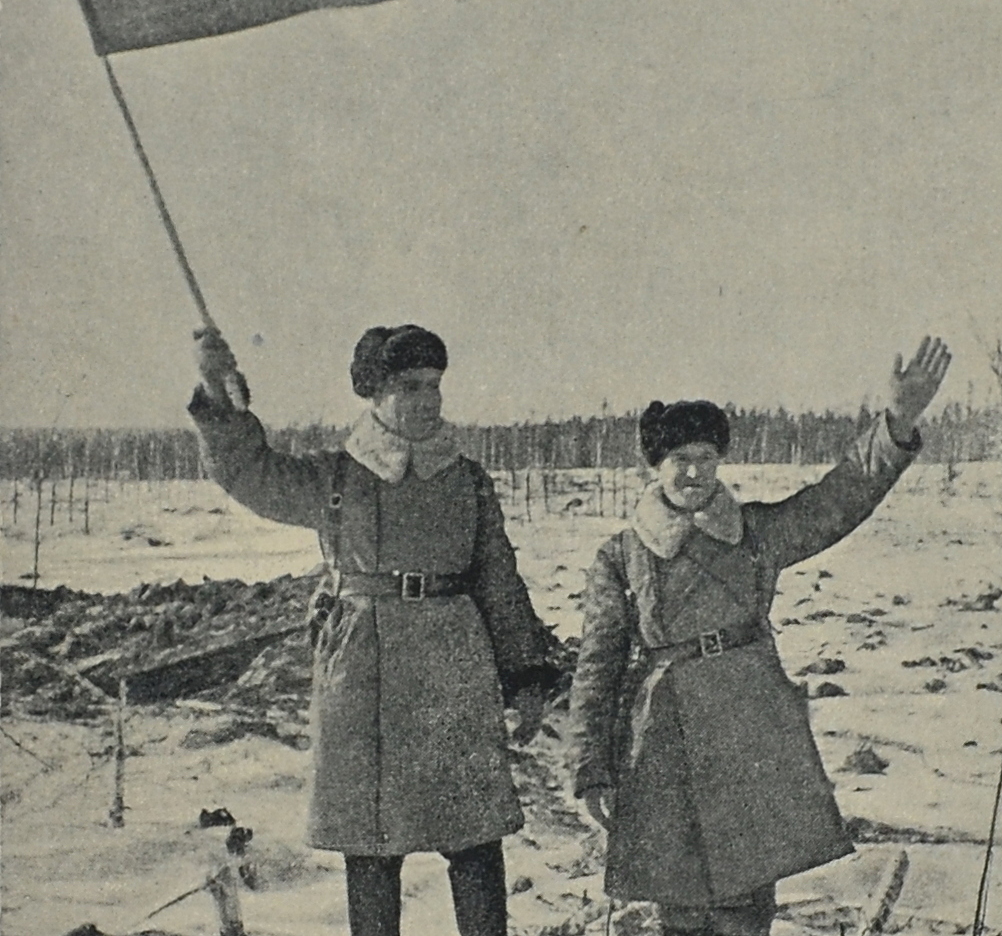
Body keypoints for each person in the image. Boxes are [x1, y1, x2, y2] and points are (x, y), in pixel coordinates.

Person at [567, 337, 951, 936]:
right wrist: (590, 766)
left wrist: (896, 423)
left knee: (749, 902)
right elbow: (596, 666)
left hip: (751, 726)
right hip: (664, 738)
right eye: (678, 460)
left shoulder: (754, 535)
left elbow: (836, 501)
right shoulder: (621, 555)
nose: (694, 472)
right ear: (654, 467)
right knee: (682, 903)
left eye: (705, 457)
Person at [190, 323, 557, 936]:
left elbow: (498, 579)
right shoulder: (337, 476)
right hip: (363, 668)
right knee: (371, 843)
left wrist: (525, 675)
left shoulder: (467, 480)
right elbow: (250, 473)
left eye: (435, 386)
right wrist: (217, 391)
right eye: (410, 386)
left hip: (453, 668)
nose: (427, 400)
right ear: (373, 393)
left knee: (473, 837)